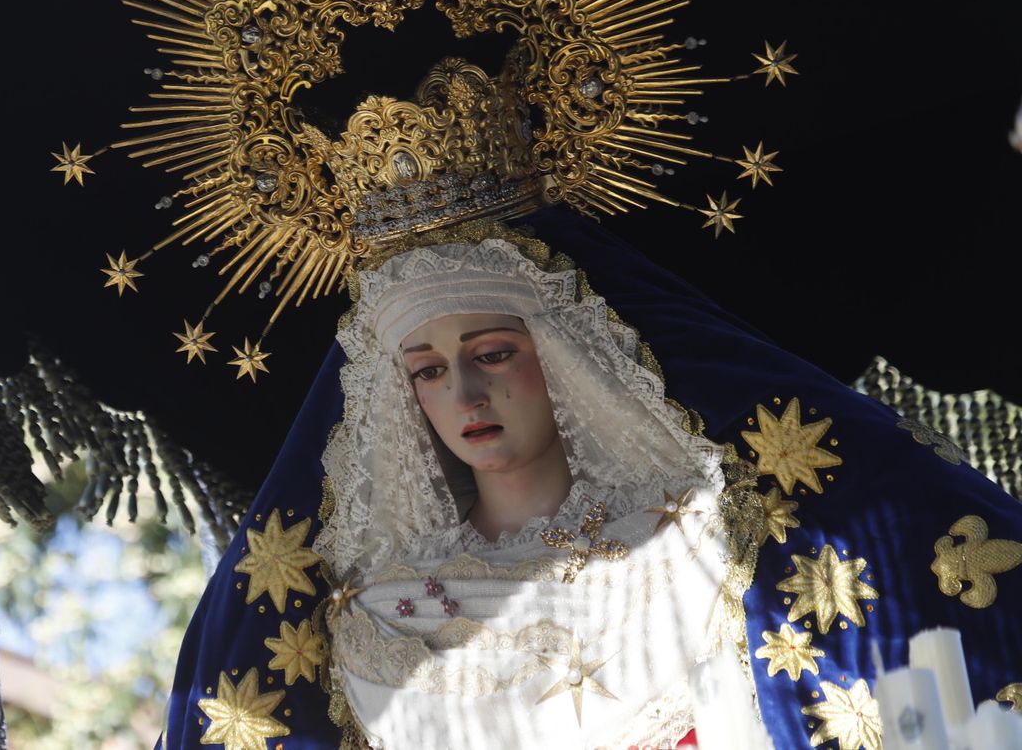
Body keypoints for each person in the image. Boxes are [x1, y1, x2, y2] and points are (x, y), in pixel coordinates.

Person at [156, 210, 1022, 749]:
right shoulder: (377, 608)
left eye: (495, 354)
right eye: (428, 370)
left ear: (567, 355)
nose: (465, 394)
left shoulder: (690, 546)